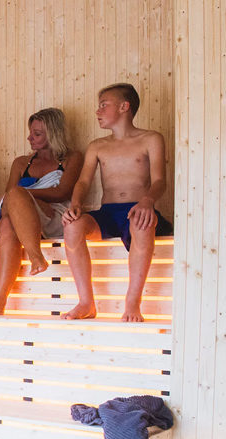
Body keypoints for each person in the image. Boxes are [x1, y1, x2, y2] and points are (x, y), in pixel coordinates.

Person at [61, 83, 167, 322]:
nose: (97, 111)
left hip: (138, 209)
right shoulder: (97, 146)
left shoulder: (151, 139)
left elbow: (160, 181)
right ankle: (86, 302)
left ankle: (132, 302)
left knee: (142, 224)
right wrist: (75, 204)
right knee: (72, 226)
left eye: (103, 105)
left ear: (124, 106)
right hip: (107, 212)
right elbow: (83, 181)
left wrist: (147, 201)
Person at [0, 108, 83, 316]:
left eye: (37, 134)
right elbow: (9, 198)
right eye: (30, 132)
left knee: (16, 196)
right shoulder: (21, 163)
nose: (30, 138)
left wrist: (27, 196)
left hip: (54, 216)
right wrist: (24, 198)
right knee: (8, 220)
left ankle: (34, 256)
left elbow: (62, 192)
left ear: (53, 134)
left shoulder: (71, 158)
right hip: (21, 217)